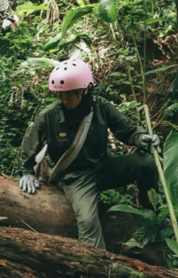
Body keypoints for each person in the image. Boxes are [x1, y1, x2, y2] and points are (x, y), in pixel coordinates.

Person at [18, 59, 160, 249]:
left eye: (70, 94)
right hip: (76, 178)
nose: (65, 100)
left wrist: (141, 137)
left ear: (84, 90)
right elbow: (30, 144)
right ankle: (98, 266)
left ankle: (149, 210)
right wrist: (26, 172)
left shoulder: (100, 106)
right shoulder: (49, 116)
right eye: (61, 95)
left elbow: (125, 129)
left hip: (103, 166)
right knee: (87, 222)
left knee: (146, 163)